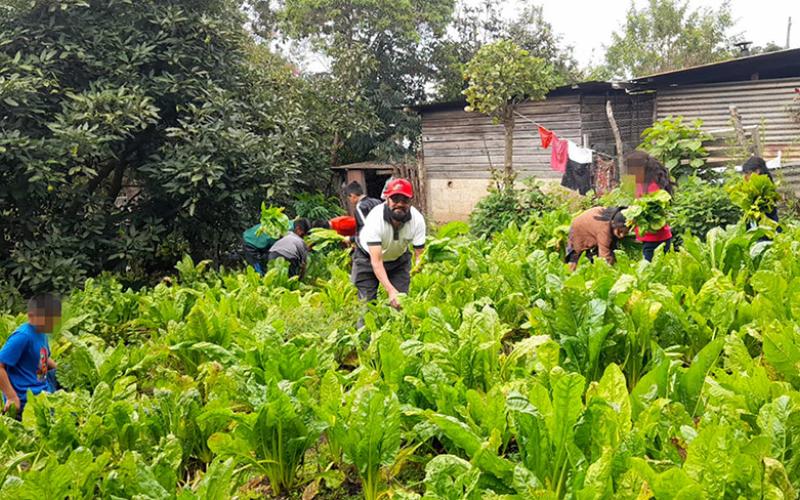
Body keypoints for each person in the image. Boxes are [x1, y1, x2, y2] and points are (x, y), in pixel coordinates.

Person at [353, 178, 426, 310]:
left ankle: (398, 329)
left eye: (404, 200)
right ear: (387, 199)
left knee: (401, 304)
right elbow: (377, 261)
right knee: (366, 307)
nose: (399, 204)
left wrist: (418, 270)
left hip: (399, 260)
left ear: (410, 202)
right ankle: (365, 330)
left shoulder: (417, 220)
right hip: (368, 260)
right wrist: (390, 290)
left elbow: (419, 255)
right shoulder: (375, 218)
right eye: (395, 199)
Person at [0, 294, 61, 418]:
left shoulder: (42, 333)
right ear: (32, 316)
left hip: (42, 385)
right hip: (27, 397)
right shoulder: (23, 336)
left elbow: (42, 357)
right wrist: (11, 397)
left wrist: (61, 369)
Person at [627, 151, 673, 261]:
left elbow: (652, 211)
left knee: (651, 272)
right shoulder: (641, 184)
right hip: (650, 238)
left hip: (655, 239)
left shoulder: (652, 186)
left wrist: (636, 213)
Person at [565, 207, 630, 271]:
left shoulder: (615, 217)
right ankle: (569, 273)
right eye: (620, 231)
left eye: (625, 232)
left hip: (591, 221)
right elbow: (604, 255)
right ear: (613, 224)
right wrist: (611, 271)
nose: (622, 235)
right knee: (575, 255)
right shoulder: (604, 230)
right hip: (578, 228)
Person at [742, 156, 780, 227]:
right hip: (755, 223)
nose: (746, 176)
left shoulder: (766, 186)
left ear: (757, 171)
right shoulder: (750, 185)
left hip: (767, 225)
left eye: (748, 173)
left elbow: (770, 210)